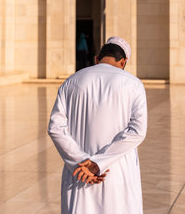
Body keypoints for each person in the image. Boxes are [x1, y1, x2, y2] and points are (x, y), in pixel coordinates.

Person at [48, 36, 147, 214]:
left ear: (96, 59)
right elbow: (137, 131)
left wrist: (80, 162)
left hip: (79, 174)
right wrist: (97, 163)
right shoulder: (133, 84)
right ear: (123, 62)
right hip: (117, 173)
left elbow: (55, 129)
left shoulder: (71, 82)